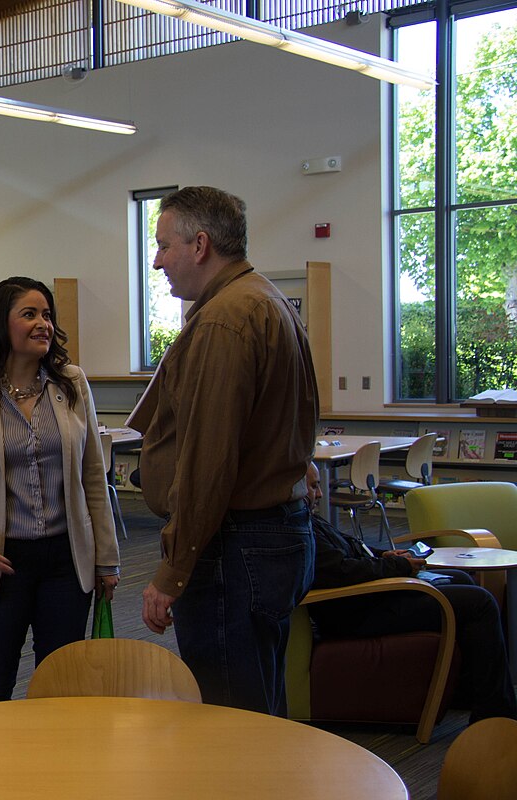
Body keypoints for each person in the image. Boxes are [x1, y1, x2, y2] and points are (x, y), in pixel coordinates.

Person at [127, 186, 319, 715]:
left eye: (164, 245)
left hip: (234, 547)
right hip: (272, 536)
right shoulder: (265, 300)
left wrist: (172, 571)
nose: (157, 259)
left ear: (200, 245)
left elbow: (208, 464)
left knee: (231, 720)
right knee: (260, 705)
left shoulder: (223, 321)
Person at [0, 276, 121, 705]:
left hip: (66, 560)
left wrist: (107, 561)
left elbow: (94, 476)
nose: (43, 324)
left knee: (62, 682)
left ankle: (57, 770)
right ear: (3, 324)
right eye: (30, 314)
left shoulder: (71, 384)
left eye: (48, 315)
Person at [303, 463, 516, 723]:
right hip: (360, 609)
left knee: (460, 579)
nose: (321, 494)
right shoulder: (300, 530)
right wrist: (398, 566)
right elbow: (339, 571)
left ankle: (468, 690)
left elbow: (349, 550)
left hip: (371, 595)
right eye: (313, 486)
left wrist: (385, 555)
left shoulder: (307, 520)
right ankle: (495, 712)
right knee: (479, 603)